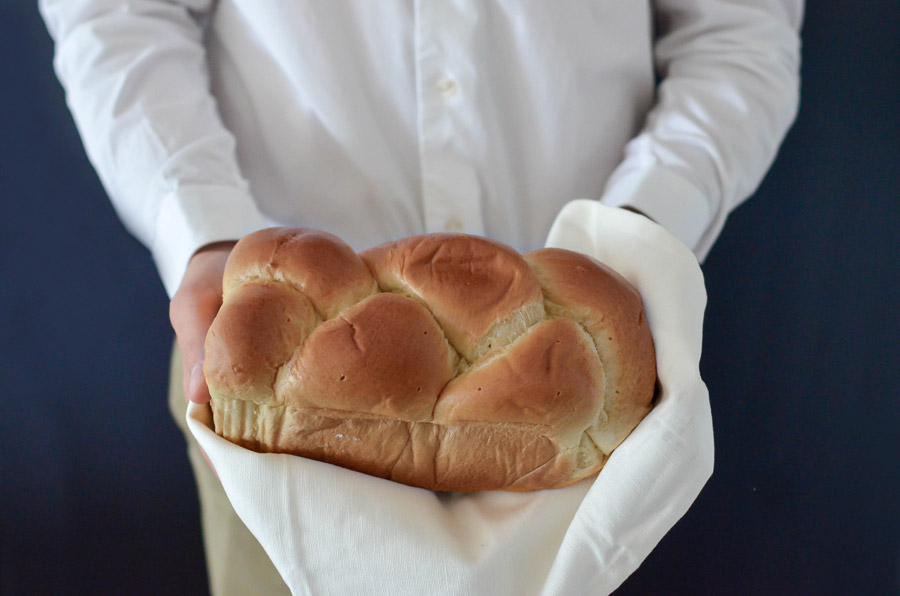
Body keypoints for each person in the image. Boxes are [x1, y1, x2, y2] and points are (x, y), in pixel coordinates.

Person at [39, 1, 803, 593]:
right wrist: (202, 233)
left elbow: (740, 35)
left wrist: (636, 238)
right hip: (269, 396)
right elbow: (116, 14)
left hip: (595, 399)